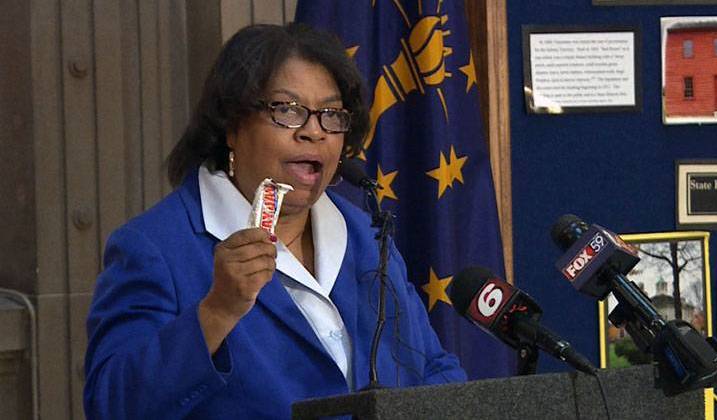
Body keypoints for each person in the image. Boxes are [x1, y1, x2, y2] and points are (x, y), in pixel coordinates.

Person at [84, 23, 466, 419]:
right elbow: (113, 405)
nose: (314, 131)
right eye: (288, 110)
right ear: (232, 125)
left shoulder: (366, 236)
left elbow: (435, 369)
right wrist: (217, 312)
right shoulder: (158, 247)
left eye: (331, 114)